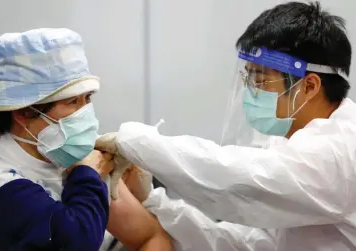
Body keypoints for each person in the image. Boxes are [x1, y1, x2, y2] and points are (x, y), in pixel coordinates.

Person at [96, 2, 356, 250]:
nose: (250, 90)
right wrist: (155, 202)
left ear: (309, 87)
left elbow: (235, 183)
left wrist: (140, 143)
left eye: (260, 79)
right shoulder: (290, 142)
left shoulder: (338, 152)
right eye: (248, 76)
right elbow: (250, 243)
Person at [0, 28, 172, 251]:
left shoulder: (76, 161)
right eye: (73, 102)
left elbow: (151, 237)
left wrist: (142, 197)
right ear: (24, 112)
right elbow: (76, 241)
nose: (85, 112)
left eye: (88, 98)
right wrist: (88, 173)